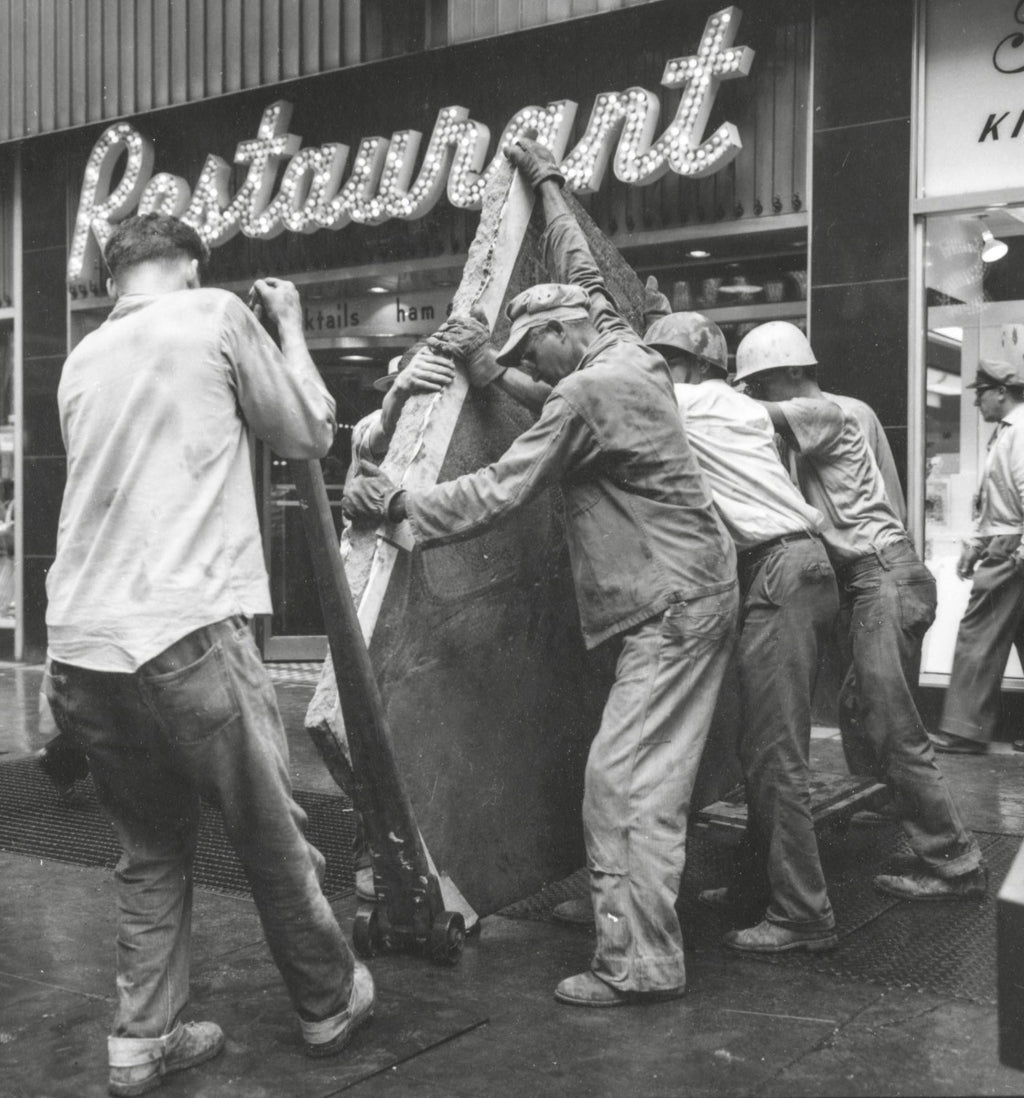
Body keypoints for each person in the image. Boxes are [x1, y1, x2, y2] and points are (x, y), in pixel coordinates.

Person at [345, 139, 738, 1007]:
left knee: (621, 783)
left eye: (536, 349)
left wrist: (402, 510)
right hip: (687, 594)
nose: (534, 365)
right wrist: (550, 181)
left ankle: (638, 964)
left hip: (667, 604)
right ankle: (642, 940)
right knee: (648, 779)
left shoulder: (584, 391)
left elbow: (502, 489)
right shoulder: (626, 349)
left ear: (562, 335)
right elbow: (581, 264)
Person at [43, 213, 373, 1097]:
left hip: (80, 643)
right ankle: (329, 1000)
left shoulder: (80, 360)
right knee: (268, 835)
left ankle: (140, 1038)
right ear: (190, 263)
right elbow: (307, 429)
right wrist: (293, 328)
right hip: (186, 628)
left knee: (150, 847)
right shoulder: (214, 314)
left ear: (115, 277)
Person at [734, 320, 987, 902]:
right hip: (878, 576)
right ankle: (900, 807)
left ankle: (955, 862)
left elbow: (746, 419)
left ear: (795, 375)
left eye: (762, 384)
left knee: (894, 726)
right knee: (859, 706)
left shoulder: (825, 411)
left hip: (881, 577)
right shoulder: (839, 414)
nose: (755, 396)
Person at [642, 311, 840, 953]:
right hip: (788, 567)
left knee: (776, 753)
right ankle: (763, 885)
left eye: (664, 362)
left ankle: (804, 914)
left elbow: (612, 392)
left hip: (778, 567)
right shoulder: (736, 406)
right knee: (762, 745)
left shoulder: (692, 400)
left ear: (697, 369)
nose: (654, 373)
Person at [932, 360, 1024, 754]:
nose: (976, 403)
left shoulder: (1018, 431)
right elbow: (993, 500)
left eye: (980, 393)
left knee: (978, 634)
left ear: (1001, 391)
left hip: (1011, 549)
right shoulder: (1007, 432)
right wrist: (974, 544)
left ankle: (965, 730)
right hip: (1006, 542)